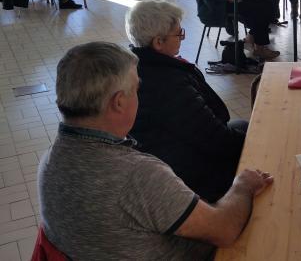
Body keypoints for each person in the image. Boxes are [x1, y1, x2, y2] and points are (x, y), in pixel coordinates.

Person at [38, 41, 273, 259]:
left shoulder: (51, 158)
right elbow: (224, 230)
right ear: (119, 102)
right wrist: (243, 184)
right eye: (136, 89)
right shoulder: (137, 175)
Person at [125, 0, 248, 202]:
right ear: (158, 42)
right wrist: (257, 141)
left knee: (242, 126)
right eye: (179, 33)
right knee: (257, 145)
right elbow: (217, 140)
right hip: (186, 177)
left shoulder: (139, 66)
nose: (182, 37)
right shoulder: (167, 84)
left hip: (170, 155)